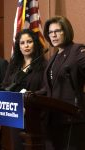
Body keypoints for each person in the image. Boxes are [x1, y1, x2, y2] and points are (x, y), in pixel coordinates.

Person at [43, 16, 85, 150]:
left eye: (57, 31)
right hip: (53, 117)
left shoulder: (77, 51)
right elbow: (49, 88)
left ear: (66, 31)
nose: (53, 35)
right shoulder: (53, 57)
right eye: (50, 32)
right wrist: (30, 94)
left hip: (70, 117)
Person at [1, 29, 47, 150]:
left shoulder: (43, 65)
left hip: (33, 115)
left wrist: (29, 99)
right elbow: (5, 85)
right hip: (15, 114)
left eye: (29, 42)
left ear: (35, 43)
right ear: (18, 46)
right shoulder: (14, 64)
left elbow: (45, 89)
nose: (26, 45)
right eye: (22, 43)